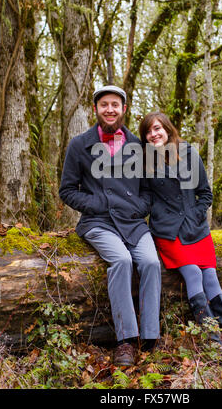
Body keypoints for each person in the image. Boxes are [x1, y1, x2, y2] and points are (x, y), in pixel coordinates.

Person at [59, 86, 161, 366]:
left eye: (115, 104)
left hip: (133, 222)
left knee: (152, 262)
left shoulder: (138, 147)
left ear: (124, 109)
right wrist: (98, 203)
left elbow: (149, 192)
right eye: (104, 104)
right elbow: (67, 190)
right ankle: (126, 341)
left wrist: (139, 208)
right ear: (96, 109)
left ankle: (151, 338)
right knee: (122, 260)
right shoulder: (79, 145)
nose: (110, 109)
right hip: (98, 222)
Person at [139, 111, 222, 347]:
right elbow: (144, 198)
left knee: (211, 276)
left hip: (196, 228)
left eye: (157, 129)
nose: (153, 134)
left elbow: (205, 193)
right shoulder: (144, 162)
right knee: (194, 273)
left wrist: (195, 214)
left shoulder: (188, 154)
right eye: (148, 131)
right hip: (168, 231)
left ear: (167, 128)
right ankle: (212, 340)